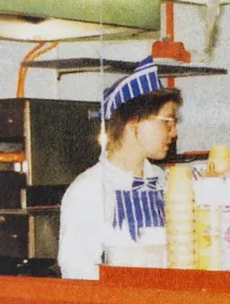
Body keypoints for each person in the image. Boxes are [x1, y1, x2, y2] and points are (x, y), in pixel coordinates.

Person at [57, 56, 182, 281]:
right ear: (134, 123)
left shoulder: (165, 182)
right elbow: (78, 275)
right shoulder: (89, 191)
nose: (174, 132)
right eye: (167, 122)